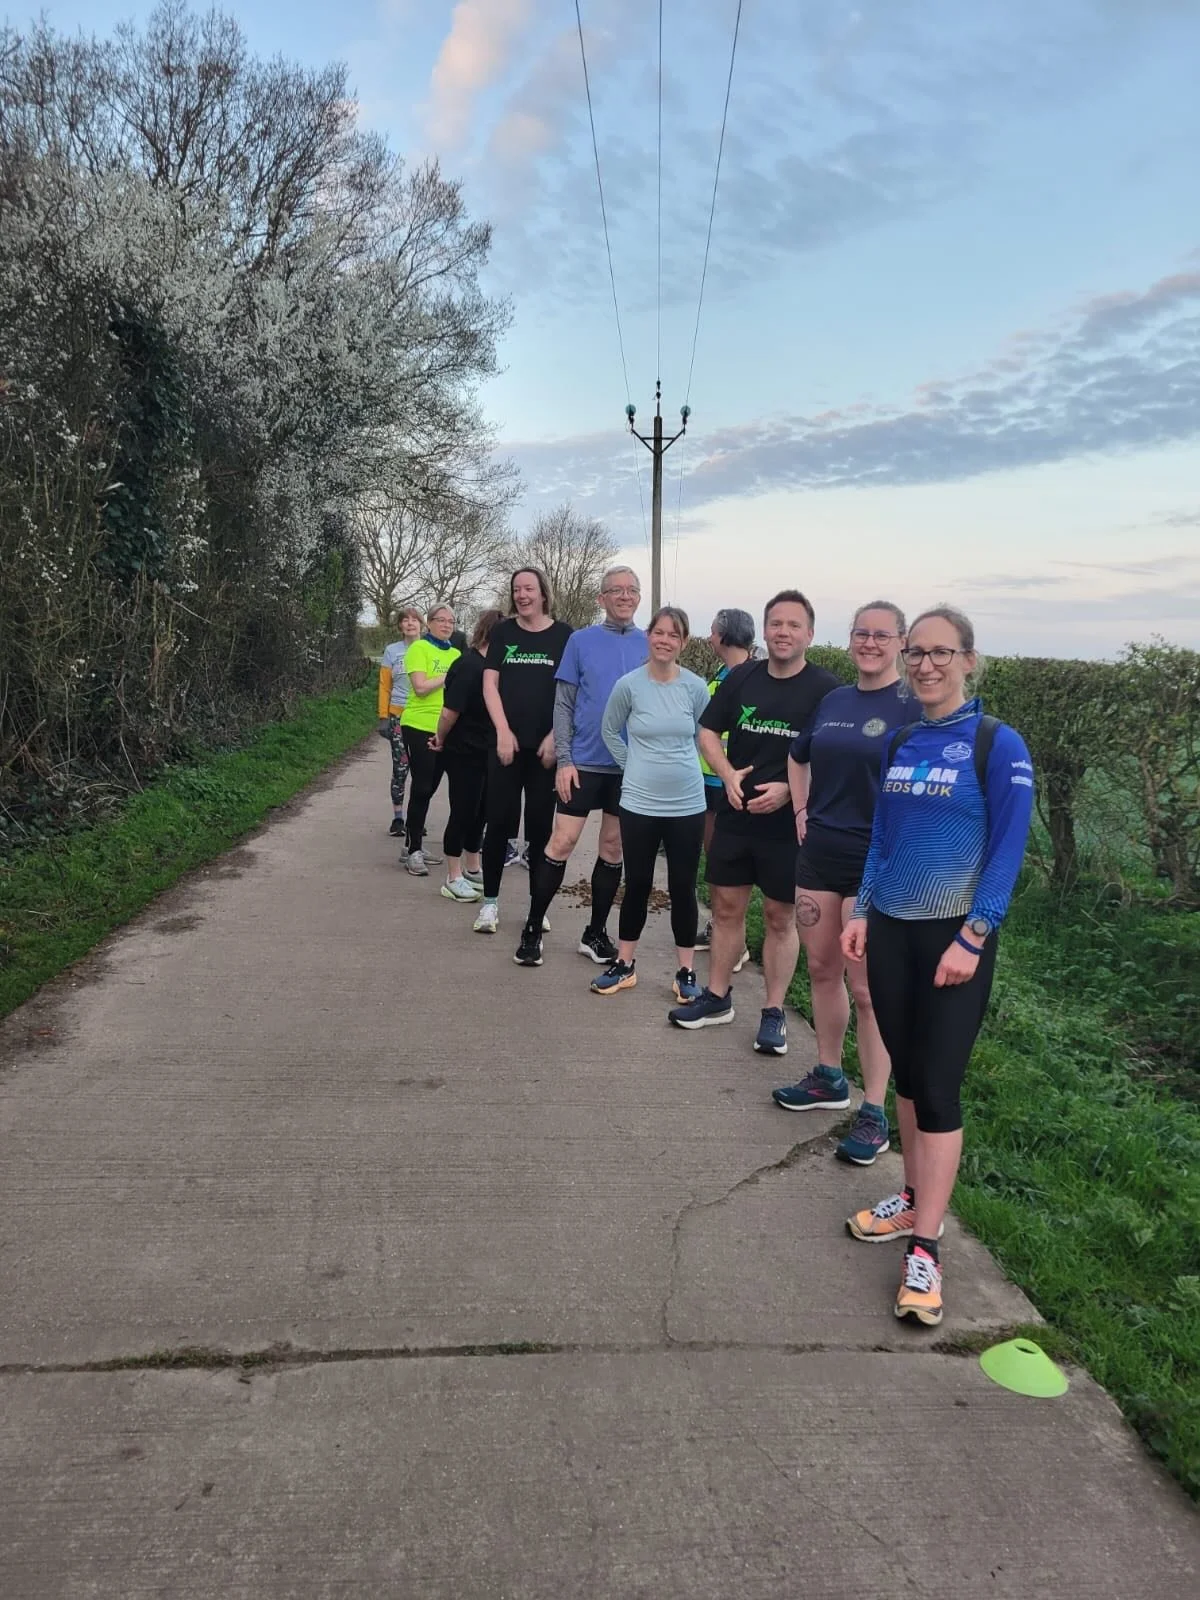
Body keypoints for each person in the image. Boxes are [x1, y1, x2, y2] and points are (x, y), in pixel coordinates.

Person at [841, 605, 1034, 1327]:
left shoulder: (996, 743)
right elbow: (881, 840)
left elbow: (1008, 850)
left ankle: (926, 1248)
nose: (925, 665)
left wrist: (975, 936)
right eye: (916, 653)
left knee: (941, 1087)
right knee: (908, 1077)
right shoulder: (901, 741)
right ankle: (914, 1200)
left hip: (954, 937)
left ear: (968, 660)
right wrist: (862, 910)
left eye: (940, 653)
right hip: (891, 931)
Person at [771, 602, 913, 1167]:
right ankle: (829, 1075)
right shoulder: (833, 701)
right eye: (861, 633)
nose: (869, 643)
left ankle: (874, 1110)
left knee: (868, 988)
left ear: (901, 642)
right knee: (823, 969)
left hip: (876, 862)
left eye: (881, 635)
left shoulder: (913, 706)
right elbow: (797, 755)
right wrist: (800, 808)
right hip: (819, 855)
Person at [668, 590, 840, 1054]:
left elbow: (834, 756)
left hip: (788, 826)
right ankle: (717, 997)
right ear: (764, 630)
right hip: (736, 815)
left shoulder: (827, 690)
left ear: (809, 634)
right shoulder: (742, 677)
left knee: (780, 917)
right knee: (726, 909)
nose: (784, 632)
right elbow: (707, 731)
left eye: (794, 625)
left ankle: (773, 1012)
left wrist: (790, 789)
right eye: (776, 624)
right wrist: (726, 774)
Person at [522, 565, 649, 967]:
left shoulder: (651, 644)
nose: (625, 596)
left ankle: (595, 933)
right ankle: (532, 927)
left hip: (629, 768)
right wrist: (565, 759)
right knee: (561, 842)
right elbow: (563, 704)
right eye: (616, 590)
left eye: (631, 590)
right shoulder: (580, 641)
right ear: (602, 598)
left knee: (613, 848)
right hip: (583, 762)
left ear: (639, 597)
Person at [591, 606, 709, 998]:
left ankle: (686, 972)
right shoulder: (629, 685)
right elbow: (610, 730)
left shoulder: (695, 688)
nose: (665, 641)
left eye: (674, 635)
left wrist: (682, 765)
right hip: (639, 803)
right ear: (649, 635)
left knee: (683, 886)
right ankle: (624, 964)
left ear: (684, 642)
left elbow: (704, 737)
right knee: (638, 883)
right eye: (659, 632)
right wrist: (634, 765)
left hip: (687, 804)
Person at [476, 568, 573, 950]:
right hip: (505, 747)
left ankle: (537, 907)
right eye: (517, 589)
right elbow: (490, 684)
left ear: (543, 593)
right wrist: (502, 731)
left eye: (529, 588)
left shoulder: (564, 636)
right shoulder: (504, 633)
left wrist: (555, 737)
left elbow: (571, 691)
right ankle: (489, 903)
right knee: (499, 823)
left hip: (545, 750)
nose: (522, 595)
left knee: (540, 829)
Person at [432, 609, 505, 901]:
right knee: (463, 811)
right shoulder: (468, 665)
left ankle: (473, 868)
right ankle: (453, 876)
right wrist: (439, 738)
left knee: (482, 811)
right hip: (463, 751)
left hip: (489, 751)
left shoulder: (494, 668)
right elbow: (449, 713)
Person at [696, 608, 756, 957]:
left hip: (731, 784)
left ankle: (737, 945)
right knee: (715, 863)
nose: (709, 638)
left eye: (713, 631)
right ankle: (720, 929)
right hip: (708, 780)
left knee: (732, 870)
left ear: (725, 635)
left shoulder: (754, 678)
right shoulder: (722, 673)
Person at [400, 603, 460, 877]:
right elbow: (421, 687)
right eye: (441, 620)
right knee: (422, 786)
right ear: (430, 623)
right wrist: (448, 676)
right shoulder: (419, 649)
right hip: (420, 725)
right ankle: (413, 850)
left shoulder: (457, 654)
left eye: (451, 621)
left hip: (447, 728)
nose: (447, 625)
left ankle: (412, 843)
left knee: (432, 787)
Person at [377, 609, 423, 840]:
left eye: (414, 620)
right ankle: (398, 818)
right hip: (398, 714)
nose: (410, 623)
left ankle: (417, 818)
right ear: (400, 626)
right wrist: (383, 716)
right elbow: (385, 685)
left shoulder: (428, 649)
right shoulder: (392, 651)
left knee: (422, 769)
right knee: (401, 766)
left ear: (422, 625)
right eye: (405, 620)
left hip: (423, 716)